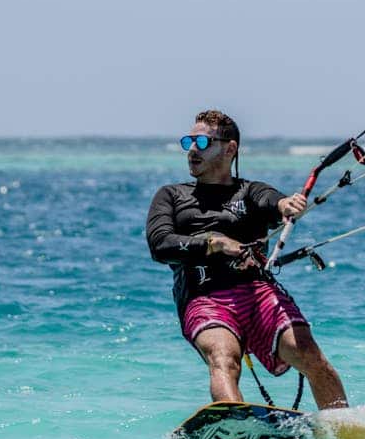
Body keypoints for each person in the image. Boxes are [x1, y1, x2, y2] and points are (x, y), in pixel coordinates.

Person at [146, 110, 349, 410]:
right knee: (223, 357)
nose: (191, 150)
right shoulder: (171, 196)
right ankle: (234, 424)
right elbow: (160, 245)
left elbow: (273, 201)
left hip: (256, 293)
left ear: (230, 149)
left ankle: (343, 430)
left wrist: (286, 204)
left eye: (202, 142)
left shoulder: (250, 192)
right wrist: (214, 244)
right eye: (188, 141)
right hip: (203, 297)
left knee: (307, 352)